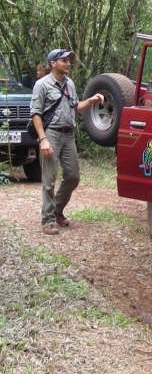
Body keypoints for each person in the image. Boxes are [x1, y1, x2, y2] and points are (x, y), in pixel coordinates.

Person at [30, 49, 105, 235]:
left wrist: (92, 101)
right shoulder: (42, 85)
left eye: (68, 60)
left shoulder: (69, 84)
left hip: (68, 134)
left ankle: (57, 210)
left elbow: (75, 108)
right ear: (53, 63)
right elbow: (36, 114)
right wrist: (43, 139)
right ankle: (47, 220)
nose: (68, 63)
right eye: (63, 60)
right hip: (51, 134)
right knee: (49, 179)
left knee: (73, 176)